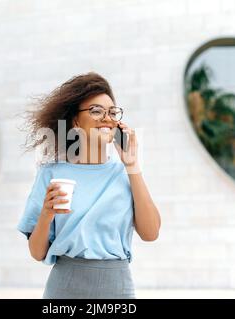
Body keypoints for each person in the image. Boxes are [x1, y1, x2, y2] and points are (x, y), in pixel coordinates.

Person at [17, 72, 161, 299]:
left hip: (116, 289)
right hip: (64, 288)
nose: (107, 118)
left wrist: (132, 165)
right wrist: (46, 214)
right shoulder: (51, 173)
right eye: (96, 111)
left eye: (112, 112)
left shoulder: (126, 173)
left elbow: (151, 233)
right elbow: (37, 252)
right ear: (75, 121)